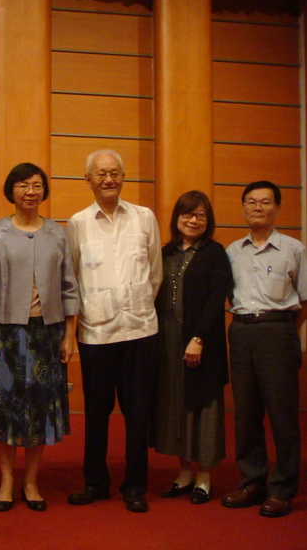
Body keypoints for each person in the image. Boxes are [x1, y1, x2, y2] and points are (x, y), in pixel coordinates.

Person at [0, 163, 78, 512]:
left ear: (44, 191)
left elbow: (70, 288)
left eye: (36, 185)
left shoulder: (57, 234)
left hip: (47, 334)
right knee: (6, 409)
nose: (30, 192)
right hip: (5, 333)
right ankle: (6, 481)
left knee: (39, 409)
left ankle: (31, 482)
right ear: (11, 191)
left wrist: (70, 335)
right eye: (22, 185)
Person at [65, 149, 162, 513]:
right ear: (87, 179)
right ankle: (96, 482)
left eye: (115, 173)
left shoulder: (144, 217)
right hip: (96, 335)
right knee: (96, 412)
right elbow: (72, 277)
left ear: (123, 177)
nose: (109, 179)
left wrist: (136, 305)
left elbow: (154, 273)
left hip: (140, 331)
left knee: (138, 414)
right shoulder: (77, 223)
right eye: (101, 173)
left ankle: (135, 485)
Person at [221, 180, 307, 518]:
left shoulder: (294, 249)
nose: (258, 208)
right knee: (246, 413)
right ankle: (252, 480)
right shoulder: (231, 251)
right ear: (243, 208)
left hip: (278, 331)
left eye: (265, 202)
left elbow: (304, 301)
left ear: (276, 209)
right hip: (241, 332)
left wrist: (285, 331)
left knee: (283, 414)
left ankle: (283, 488)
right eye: (251, 202)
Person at [153, 191, 231, 505]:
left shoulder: (215, 253)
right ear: (177, 218)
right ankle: (184, 472)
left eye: (200, 215)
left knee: (203, 406)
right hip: (167, 340)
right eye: (187, 214)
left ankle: (204, 477)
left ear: (208, 220)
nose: (193, 220)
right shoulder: (166, 252)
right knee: (175, 404)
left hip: (202, 342)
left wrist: (199, 338)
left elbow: (217, 300)